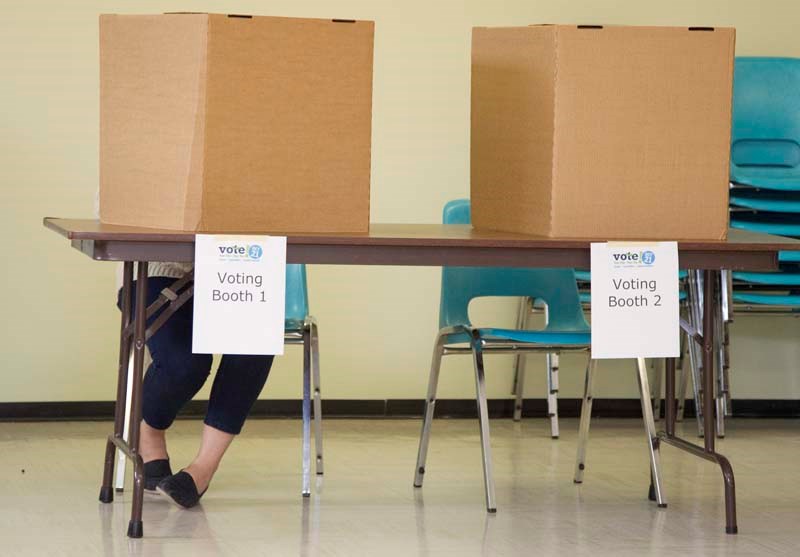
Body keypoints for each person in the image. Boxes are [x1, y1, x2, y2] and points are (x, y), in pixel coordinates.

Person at [120, 263, 274, 508]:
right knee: (186, 364)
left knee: (255, 340)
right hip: (158, 270)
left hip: (240, 271)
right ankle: (148, 429)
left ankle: (202, 469)